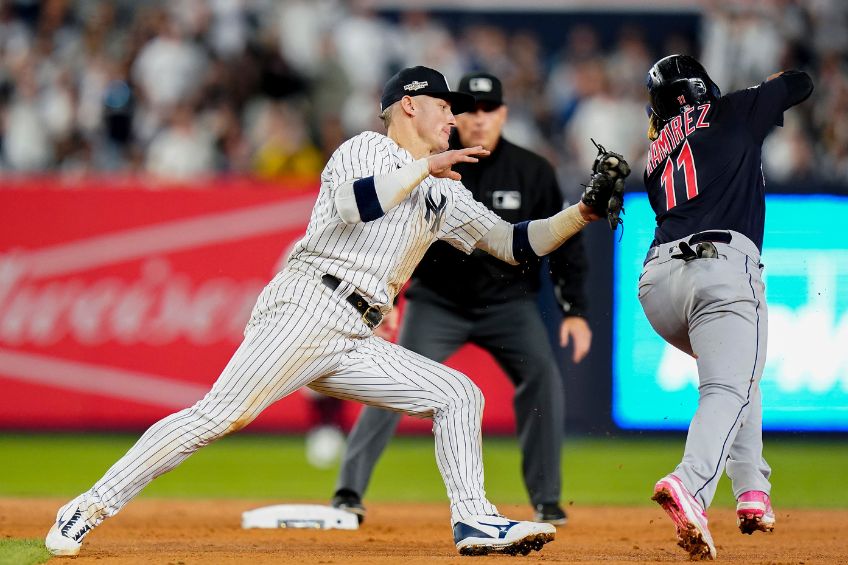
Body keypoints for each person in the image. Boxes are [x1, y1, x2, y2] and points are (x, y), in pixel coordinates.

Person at [45, 66, 623, 558]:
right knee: (216, 418)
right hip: (307, 307)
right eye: (444, 106)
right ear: (409, 105)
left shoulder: (443, 191)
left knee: (458, 395)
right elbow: (357, 202)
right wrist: (425, 167)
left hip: (355, 333)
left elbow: (514, 243)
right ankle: (87, 506)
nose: (455, 118)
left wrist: (583, 212)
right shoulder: (366, 149)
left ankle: (473, 520)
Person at [330, 71, 591, 526]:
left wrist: (575, 303)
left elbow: (531, 243)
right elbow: (385, 233)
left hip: (509, 304)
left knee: (544, 379)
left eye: (487, 109)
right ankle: (348, 490)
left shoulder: (530, 170)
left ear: (504, 115)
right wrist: (390, 304)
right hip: (438, 303)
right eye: (461, 109)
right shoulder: (421, 163)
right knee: (387, 385)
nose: (473, 118)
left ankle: (546, 498)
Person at [638, 55, 813, 560]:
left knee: (737, 376)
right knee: (727, 385)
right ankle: (690, 485)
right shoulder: (735, 109)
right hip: (719, 268)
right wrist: (769, 87)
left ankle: (752, 491)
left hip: (657, 284)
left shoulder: (656, 154)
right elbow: (801, 84)